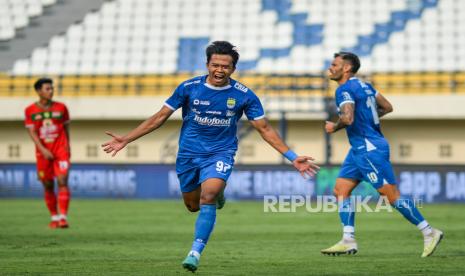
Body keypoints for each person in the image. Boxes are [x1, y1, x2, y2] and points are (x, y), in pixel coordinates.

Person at [102, 41, 320, 272]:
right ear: (207, 64)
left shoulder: (244, 95)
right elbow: (159, 117)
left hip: (220, 153)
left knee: (209, 195)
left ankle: (194, 252)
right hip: (188, 154)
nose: (219, 70)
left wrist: (292, 156)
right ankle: (219, 193)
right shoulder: (189, 87)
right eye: (215, 64)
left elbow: (264, 128)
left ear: (233, 69)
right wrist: (127, 138)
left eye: (225, 66)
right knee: (192, 206)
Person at [321, 52, 443, 257]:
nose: (330, 68)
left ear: (346, 69)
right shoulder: (365, 85)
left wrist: (335, 126)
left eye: (334, 64)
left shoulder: (343, 90)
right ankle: (348, 239)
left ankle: (429, 231)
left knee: (391, 196)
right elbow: (387, 107)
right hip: (359, 148)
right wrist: (367, 117)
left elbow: (348, 118)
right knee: (341, 189)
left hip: (369, 148)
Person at [25, 78, 72, 229]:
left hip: (60, 150)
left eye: (51, 88)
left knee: (63, 181)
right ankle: (54, 217)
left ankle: (63, 217)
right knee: (48, 185)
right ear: (38, 91)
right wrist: (43, 149)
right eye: (47, 89)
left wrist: (68, 146)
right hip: (43, 152)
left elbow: (65, 129)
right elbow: (32, 132)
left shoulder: (62, 108)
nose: (51, 91)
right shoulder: (30, 110)